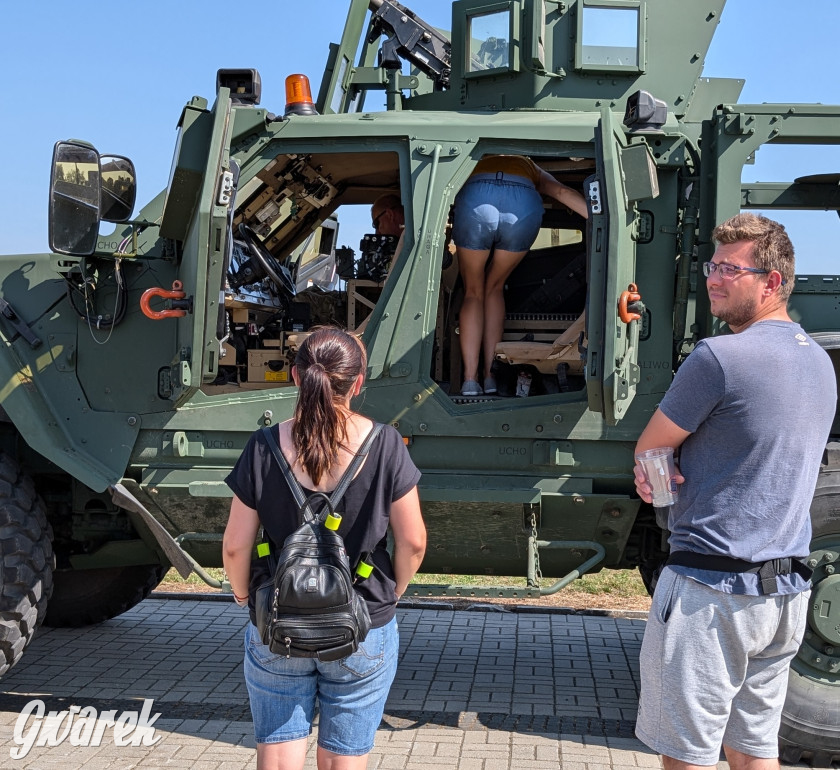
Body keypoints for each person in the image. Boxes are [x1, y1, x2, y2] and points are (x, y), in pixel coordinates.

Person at [632, 213, 837, 770]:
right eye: (712, 266)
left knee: (687, 757)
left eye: (729, 268)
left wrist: (657, 487)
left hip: (711, 590)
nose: (713, 279)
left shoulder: (718, 357)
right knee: (754, 753)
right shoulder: (818, 362)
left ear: (772, 282)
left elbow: (649, 449)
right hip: (785, 595)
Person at [223, 326, 427, 770]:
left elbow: (236, 548)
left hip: (278, 620)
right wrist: (392, 595)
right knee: (344, 761)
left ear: (297, 377)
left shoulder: (262, 447)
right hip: (362, 619)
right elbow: (413, 540)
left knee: (277, 758)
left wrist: (244, 598)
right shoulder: (386, 444)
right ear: (357, 382)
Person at [452, 155, 589, 396]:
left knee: (473, 290)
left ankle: (470, 381)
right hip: (522, 204)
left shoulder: (475, 158)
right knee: (494, 287)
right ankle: (490, 376)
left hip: (476, 199)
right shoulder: (529, 166)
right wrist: (606, 219)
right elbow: (561, 191)